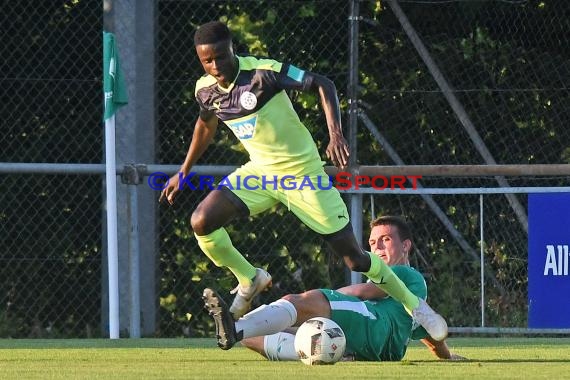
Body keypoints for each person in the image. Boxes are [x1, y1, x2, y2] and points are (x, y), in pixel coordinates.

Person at [160, 20, 446, 340]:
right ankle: (249, 278)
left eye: (220, 57)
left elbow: (323, 84)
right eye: (207, 61)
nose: (215, 66)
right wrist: (183, 171)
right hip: (260, 173)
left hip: (303, 175)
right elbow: (206, 125)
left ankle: (415, 305)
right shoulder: (205, 89)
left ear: (232, 49)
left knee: (355, 257)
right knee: (201, 221)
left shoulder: (262, 73)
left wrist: (335, 134)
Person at [203, 216, 465, 361]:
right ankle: (237, 329)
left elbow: (365, 292)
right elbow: (430, 335)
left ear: (406, 246)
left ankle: (234, 325)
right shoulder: (416, 301)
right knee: (252, 336)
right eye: (373, 243)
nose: (378, 248)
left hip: (372, 326)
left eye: (385, 240)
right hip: (377, 348)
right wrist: (448, 357)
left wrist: (319, 299)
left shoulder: (406, 273)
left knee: (298, 300)